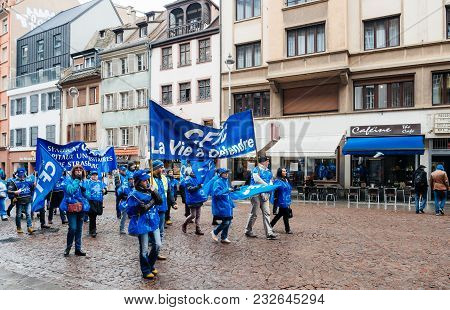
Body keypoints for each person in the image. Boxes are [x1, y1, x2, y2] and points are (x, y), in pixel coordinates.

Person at [125, 170, 162, 280]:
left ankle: (150, 264)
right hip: (142, 223)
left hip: (153, 221)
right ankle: (146, 270)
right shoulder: (134, 194)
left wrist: (154, 192)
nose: (146, 182)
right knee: (144, 248)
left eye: (147, 179)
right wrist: (150, 203)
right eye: (144, 180)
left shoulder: (150, 190)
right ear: (138, 182)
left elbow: (159, 201)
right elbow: (137, 210)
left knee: (158, 244)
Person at [245, 156, 277, 240]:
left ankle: (269, 233)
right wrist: (266, 186)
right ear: (262, 162)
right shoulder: (256, 169)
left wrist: (269, 189)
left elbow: (271, 181)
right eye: (267, 161)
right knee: (254, 213)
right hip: (256, 193)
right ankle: (248, 230)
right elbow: (257, 180)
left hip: (265, 193)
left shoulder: (268, 171)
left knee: (267, 212)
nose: (268, 163)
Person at [61, 165, 89, 257]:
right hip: (71, 207)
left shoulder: (85, 181)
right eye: (76, 170)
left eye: (80, 170)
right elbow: (70, 191)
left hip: (81, 208)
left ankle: (78, 249)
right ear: (73, 171)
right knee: (73, 228)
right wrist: (77, 180)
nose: (78, 171)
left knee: (79, 229)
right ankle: (68, 248)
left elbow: (89, 195)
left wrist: (85, 191)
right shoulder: (67, 180)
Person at [151, 160, 174, 260]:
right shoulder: (149, 178)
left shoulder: (165, 178)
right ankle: (150, 250)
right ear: (155, 168)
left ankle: (156, 252)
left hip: (162, 208)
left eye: (162, 167)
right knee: (151, 231)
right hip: (152, 209)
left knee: (160, 231)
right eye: (160, 167)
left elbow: (168, 192)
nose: (162, 169)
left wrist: (173, 203)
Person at [211, 169, 235, 243]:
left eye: (227, 173)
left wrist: (233, 190)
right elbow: (217, 193)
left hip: (227, 204)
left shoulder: (226, 181)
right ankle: (214, 232)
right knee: (226, 222)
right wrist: (227, 190)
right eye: (225, 173)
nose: (227, 174)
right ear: (221, 174)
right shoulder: (217, 182)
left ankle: (224, 237)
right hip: (221, 204)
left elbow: (227, 191)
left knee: (229, 221)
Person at [8, 168, 35, 234]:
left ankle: (29, 227)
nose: (22, 176)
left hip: (28, 199)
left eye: (23, 174)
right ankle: (19, 227)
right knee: (19, 215)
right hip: (19, 201)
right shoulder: (14, 181)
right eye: (20, 175)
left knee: (28, 214)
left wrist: (34, 185)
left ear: (25, 173)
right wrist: (15, 192)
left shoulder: (29, 180)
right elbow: (8, 191)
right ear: (17, 174)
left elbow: (32, 188)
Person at [182, 169, 208, 235]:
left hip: (199, 199)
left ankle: (198, 229)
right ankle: (184, 224)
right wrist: (198, 186)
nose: (194, 173)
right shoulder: (188, 179)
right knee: (193, 215)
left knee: (198, 215)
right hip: (192, 200)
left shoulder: (198, 178)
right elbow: (190, 189)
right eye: (193, 171)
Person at [270, 168, 293, 234]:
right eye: (283, 171)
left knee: (280, 214)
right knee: (285, 214)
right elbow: (276, 189)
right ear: (280, 172)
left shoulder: (286, 180)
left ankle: (270, 225)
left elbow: (289, 188)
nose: (285, 172)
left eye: (285, 171)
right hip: (281, 200)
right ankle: (287, 229)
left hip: (286, 199)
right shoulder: (278, 180)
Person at [85, 171, 107, 237]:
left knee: (95, 215)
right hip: (91, 201)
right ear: (91, 176)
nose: (94, 176)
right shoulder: (88, 182)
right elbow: (85, 191)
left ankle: (91, 230)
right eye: (93, 175)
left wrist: (104, 190)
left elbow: (105, 190)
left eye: (96, 175)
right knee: (92, 216)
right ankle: (93, 231)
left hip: (99, 201)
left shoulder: (100, 182)